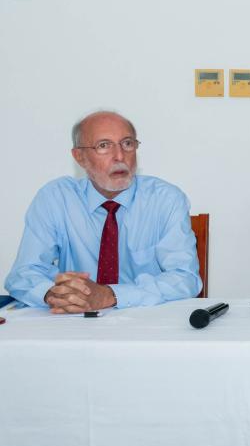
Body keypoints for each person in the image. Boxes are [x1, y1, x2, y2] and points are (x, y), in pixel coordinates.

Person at [5, 111, 202, 311]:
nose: (119, 156)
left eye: (127, 143)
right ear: (80, 157)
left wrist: (110, 295)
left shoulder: (165, 199)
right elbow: (23, 274)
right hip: (73, 322)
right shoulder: (56, 198)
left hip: (144, 321)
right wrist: (52, 294)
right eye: (104, 146)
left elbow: (185, 278)